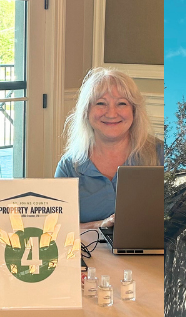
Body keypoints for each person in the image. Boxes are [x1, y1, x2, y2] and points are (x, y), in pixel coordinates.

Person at [55, 68, 162, 229]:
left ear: (134, 111)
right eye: (101, 103)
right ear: (86, 112)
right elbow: (58, 226)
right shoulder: (69, 166)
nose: (111, 113)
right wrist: (100, 225)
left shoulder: (161, 154)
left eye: (121, 103)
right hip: (88, 253)